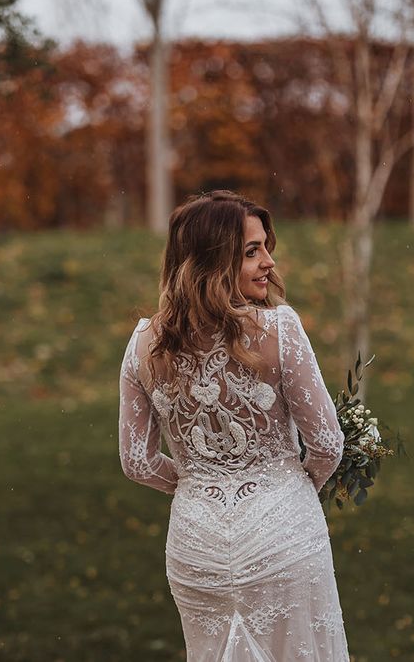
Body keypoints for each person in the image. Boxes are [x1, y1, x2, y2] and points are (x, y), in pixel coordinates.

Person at [118, 190, 350, 661]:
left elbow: (137, 462)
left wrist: (196, 481)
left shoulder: (143, 343)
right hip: (282, 536)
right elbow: (326, 442)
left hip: (196, 545)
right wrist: (291, 486)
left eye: (266, 247)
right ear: (209, 261)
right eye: (251, 251)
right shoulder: (280, 329)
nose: (268, 261)